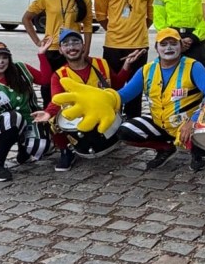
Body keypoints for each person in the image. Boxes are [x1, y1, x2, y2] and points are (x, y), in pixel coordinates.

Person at [31, 29, 142, 172]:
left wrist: (127, 65)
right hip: (78, 115)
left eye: (75, 42)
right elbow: (56, 101)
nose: (72, 47)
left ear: (83, 46)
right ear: (60, 50)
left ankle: (112, 136)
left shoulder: (101, 64)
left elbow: (117, 85)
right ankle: (66, 151)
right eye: (66, 44)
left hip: (102, 111)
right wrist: (47, 113)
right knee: (53, 121)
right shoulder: (59, 75)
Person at [111, 28, 205, 172]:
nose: (169, 48)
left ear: (181, 46)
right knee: (125, 131)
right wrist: (102, 97)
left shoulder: (193, 66)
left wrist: (193, 121)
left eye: (173, 44)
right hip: (160, 123)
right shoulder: (146, 70)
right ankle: (165, 148)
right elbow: (124, 95)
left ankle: (196, 152)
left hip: (190, 125)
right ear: (156, 48)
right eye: (163, 44)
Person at [0, 39, 54, 182]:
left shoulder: (21, 69)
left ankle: (23, 151)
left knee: (41, 147)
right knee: (12, 117)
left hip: (28, 120)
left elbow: (45, 80)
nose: (1, 61)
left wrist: (42, 54)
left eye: (5, 57)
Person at [95, 0, 157, 118]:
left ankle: (132, 122)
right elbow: (101, 16)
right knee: (112, 87)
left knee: (135, 88)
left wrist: (136, 30)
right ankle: (112, 121)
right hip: (113, 45)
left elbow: (151, 17)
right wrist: (116, 30)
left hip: (139, 45)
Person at [23, 0, 94, 73]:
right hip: (51, 49)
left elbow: (87, 26)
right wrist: (38, 42)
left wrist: (87, 49)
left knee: (72, 82)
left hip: (73, 49)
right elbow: (26, 19)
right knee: (49, 82)